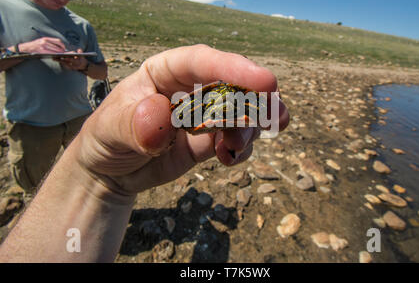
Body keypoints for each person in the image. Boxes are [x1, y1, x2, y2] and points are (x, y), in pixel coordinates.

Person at [0, 45, 290, 263]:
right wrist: (93, 178)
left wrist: (95, 182)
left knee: (252, 113)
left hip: (200, 113)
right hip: (34, 122)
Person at [0, 0, 107, 193]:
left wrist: (83, 65)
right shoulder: (4, 9)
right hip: (32, 125)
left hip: (79, 118)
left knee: (87, 181)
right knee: (38, 192)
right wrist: (26, 49)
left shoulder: (81, 25)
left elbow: (102, 72)